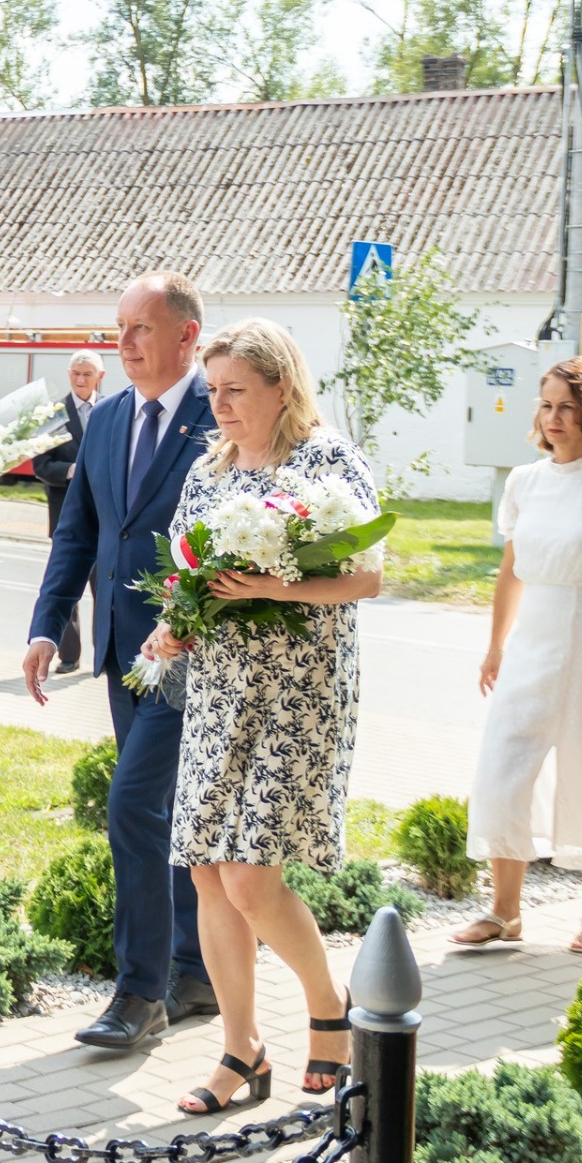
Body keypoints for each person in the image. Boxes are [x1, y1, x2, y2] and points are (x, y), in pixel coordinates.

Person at [150, 318, 383, 1114]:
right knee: (207, 869)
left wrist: (273, 588)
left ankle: (329, 1007)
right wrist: (174, 624)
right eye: (212, 390)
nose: (220, 405)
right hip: (219, 689)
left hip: (298, 692)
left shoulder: (327, 460)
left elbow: (367, 577)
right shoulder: (209, 469)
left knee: (252, 876)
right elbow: (188, 576)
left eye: (236, 390)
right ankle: (241, 1050)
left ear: (282, 386)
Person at [23, 271, 217, 1053]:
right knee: (168, 814)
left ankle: (141, 992)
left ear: (186, 336)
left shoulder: (222, 412)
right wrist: (47, 625)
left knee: (135, 806)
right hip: (120, 652)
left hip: (194, 654)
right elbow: (80, 530)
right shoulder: (105, 417)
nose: (124, 342)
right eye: (119, 327)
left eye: (141, 328)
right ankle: (194, 970)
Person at [454, 357, 582, 956]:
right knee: (503, 769)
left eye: (568, 406)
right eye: (547, 405)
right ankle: (504, 912)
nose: (554, 417)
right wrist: (496, 645)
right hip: (533, 646)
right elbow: (512, 570)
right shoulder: (525, 482)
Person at [30, 350, 105, 674]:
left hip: (106, 519)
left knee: (105, 590)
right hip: (66, 515)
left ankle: (103, 656)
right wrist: (71, 470)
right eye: (75, 373)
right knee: (67, 588)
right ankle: (69, 656)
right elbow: (41, 465)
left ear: (100, 377)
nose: (80, 379)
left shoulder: (112, 409)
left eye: (87, 374)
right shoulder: (54, 414)